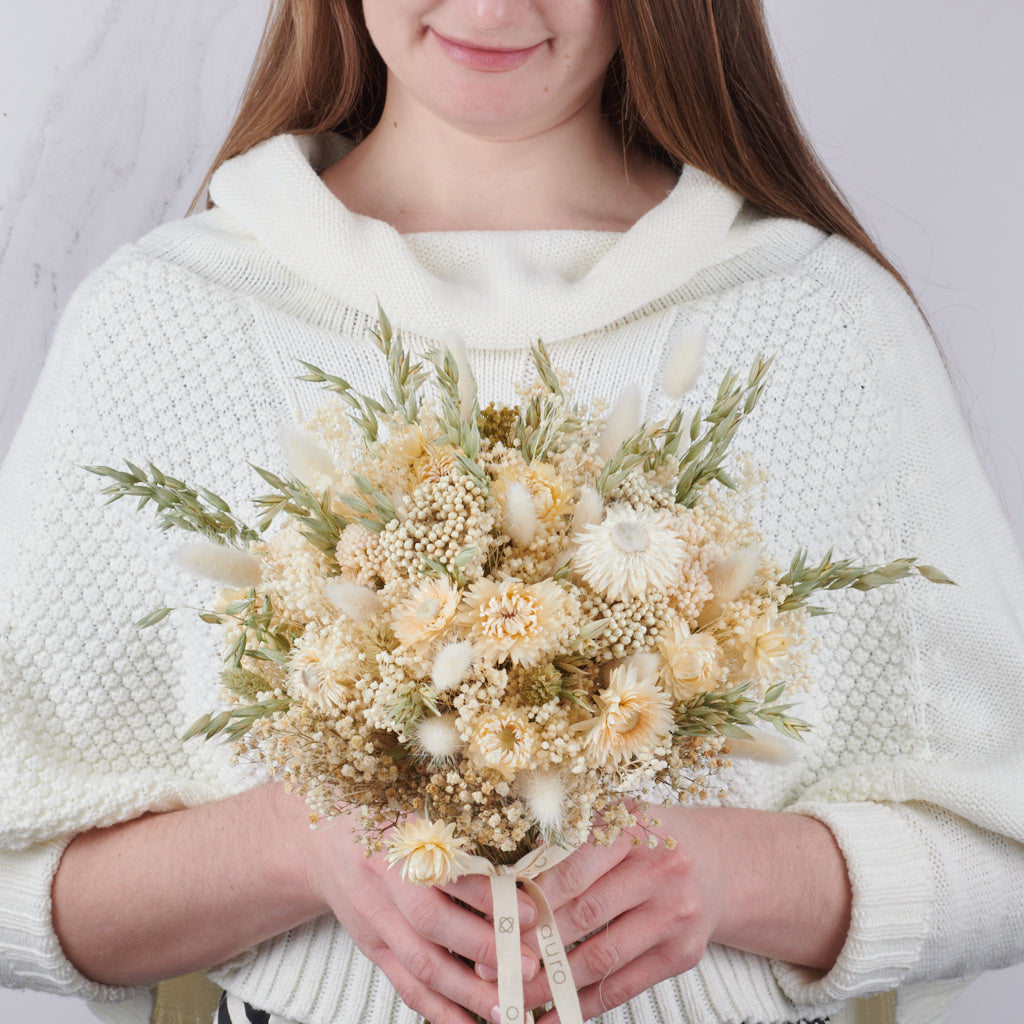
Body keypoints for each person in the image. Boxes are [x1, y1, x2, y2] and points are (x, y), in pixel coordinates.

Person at [1, 2, 1022, 1024]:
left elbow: (1001, 853)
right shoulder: (162, 322)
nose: (490, 8)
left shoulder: (826, 328)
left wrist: (735, 875)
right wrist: (292, 843)